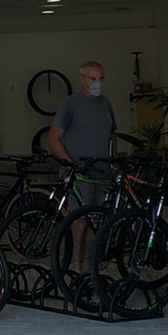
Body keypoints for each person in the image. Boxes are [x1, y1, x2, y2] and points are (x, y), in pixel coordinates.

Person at [47, 60, 116, 274]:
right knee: (80, 221)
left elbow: (112, 135)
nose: (98, 83)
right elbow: (53, 137)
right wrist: (69, 164)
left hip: (103, 174)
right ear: (82, 79)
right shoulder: (70, 104)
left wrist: (113, 161)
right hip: (80, 175)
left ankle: (91, 268)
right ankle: (77, 269)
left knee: (98, 222)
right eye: (93, 79)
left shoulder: (105, 103)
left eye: (101, 79)